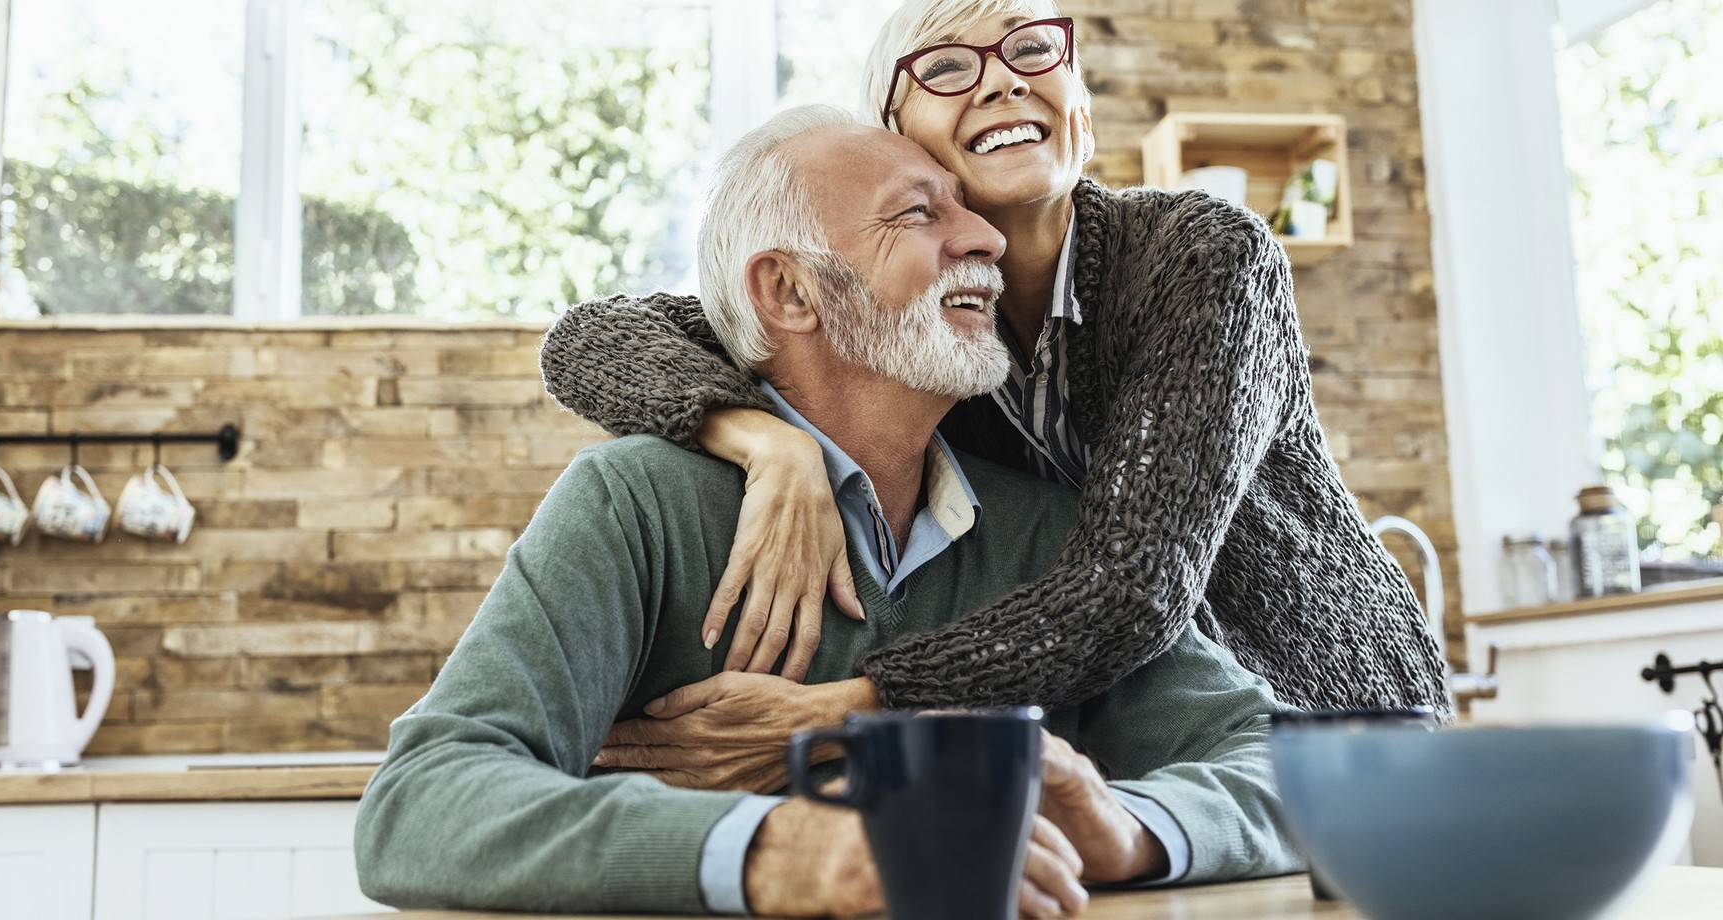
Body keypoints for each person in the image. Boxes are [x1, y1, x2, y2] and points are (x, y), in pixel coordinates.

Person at [355, 106, 1302, 917]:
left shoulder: (1050, 533)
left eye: (968, 211)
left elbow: (1281, 766)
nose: (986, 239)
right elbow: (423, 799)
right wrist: (779, 849)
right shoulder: (636, 504)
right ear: (790, 291)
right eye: (919, 215)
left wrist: (1126, 829)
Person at [538, 0, 1448, 788]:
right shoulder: (917, 326)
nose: (1004, 82)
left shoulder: (1203, 258)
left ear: (1080, 107)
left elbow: (1131, 588)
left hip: (1332, 723)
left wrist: (851, 707)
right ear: (894, 137)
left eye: (1031, 50)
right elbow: (592, 337)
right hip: (1144, 758)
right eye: (944, 66)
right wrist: (766, 442)